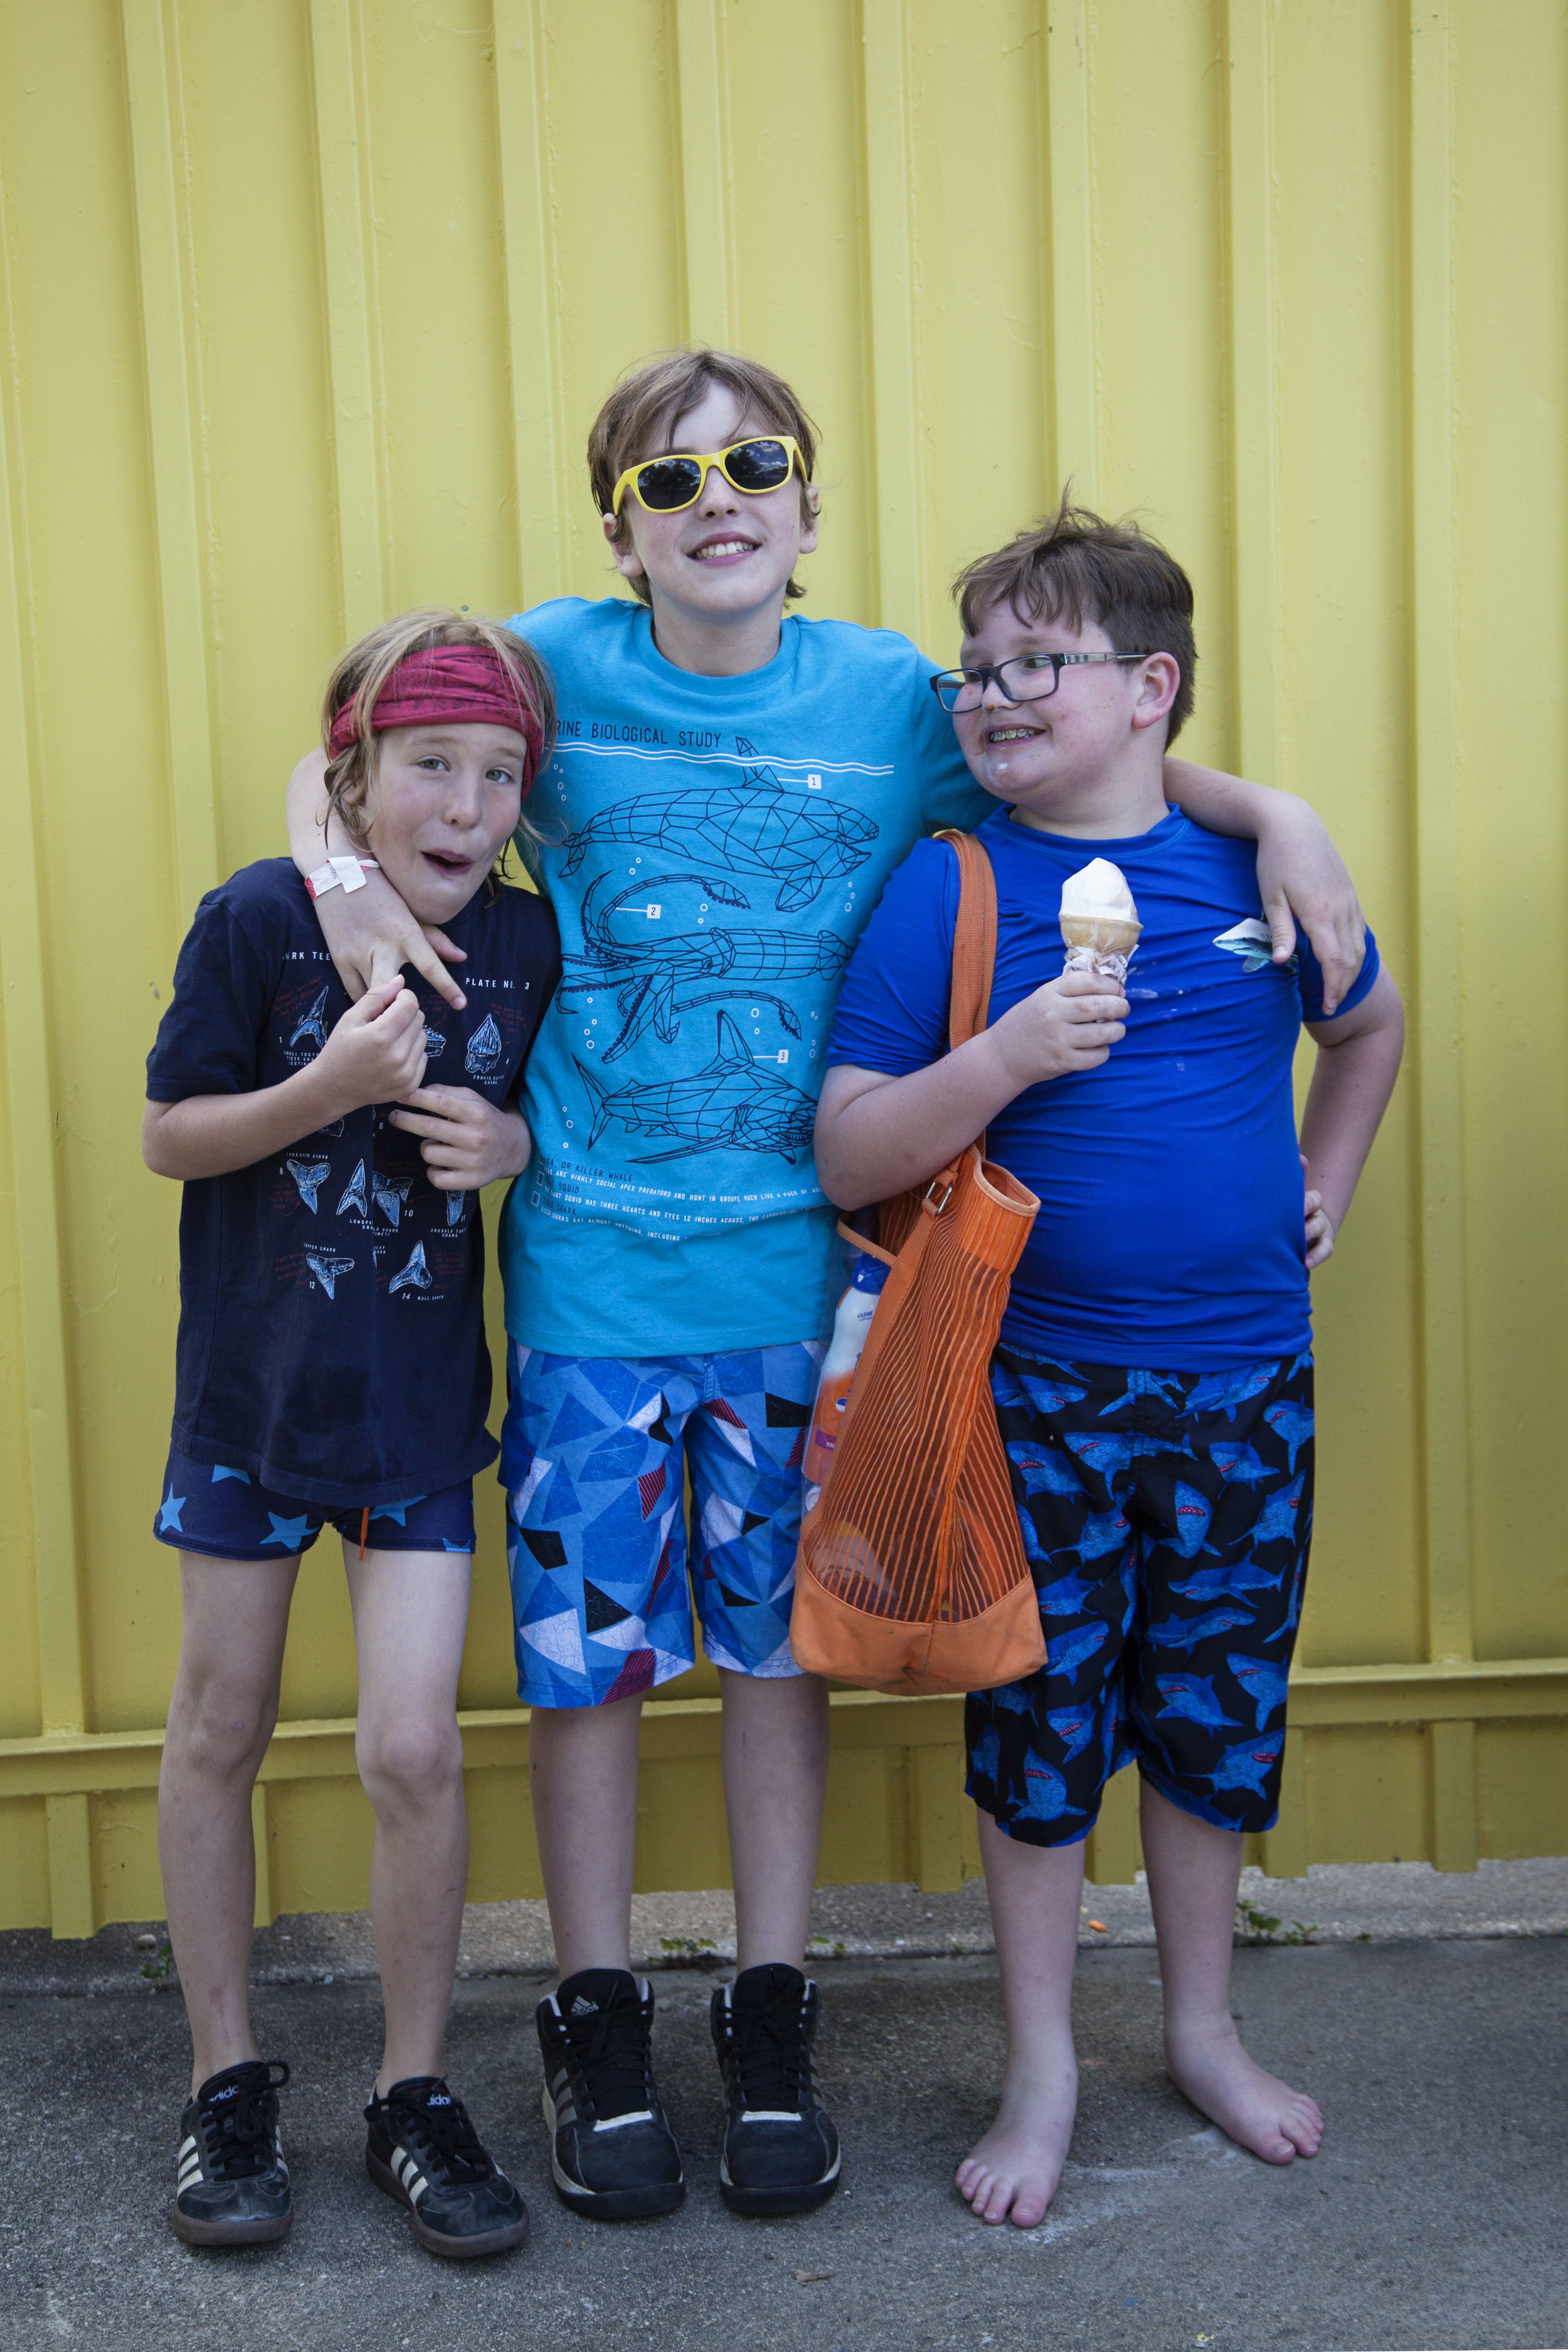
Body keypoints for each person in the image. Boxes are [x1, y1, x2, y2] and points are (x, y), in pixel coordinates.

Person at [282, 351, 1369, 2223]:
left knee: (780, 1655)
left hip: (815, 1282)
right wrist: (333, 874)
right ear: (616, 525)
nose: (720, 496)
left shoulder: (886, 695)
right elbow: (354, 744)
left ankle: (769, 2005)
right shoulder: (553, 668)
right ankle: (600, 2005)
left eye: (757, 463)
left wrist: (1270, 807)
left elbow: (1084, 757)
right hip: (591, 1281)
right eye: (671, 476)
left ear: (808, 501)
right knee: (592, 1668)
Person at [814, 498, 1404, 2228]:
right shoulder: (953, 882)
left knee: (1213, 1712)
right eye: (971, 669)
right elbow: (850, 1152)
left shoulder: (1255, 869)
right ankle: (1042, 2061)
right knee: (1042, 1725)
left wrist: (1328, 1180)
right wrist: (1001, 1056)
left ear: (1151, 687)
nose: (991, 695)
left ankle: (1203, 2030)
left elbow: (1363, 1024)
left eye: (1035, 663)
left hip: (1243, 1383)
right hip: (1032, 1390)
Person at [146, 613, 559, 2256]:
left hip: (411, 1426)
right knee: (216, 1730)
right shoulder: (257, 920)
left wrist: (514, 1137)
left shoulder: (526, 946)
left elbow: (575, 1120)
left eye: (496, 774)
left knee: (410, 1749)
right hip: (247, 1412)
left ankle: (408, 2088)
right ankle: (225, 2077)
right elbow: (174, 1135)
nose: (461, 804)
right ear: (356, 779)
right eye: (428, 766)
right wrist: (323, 1089)